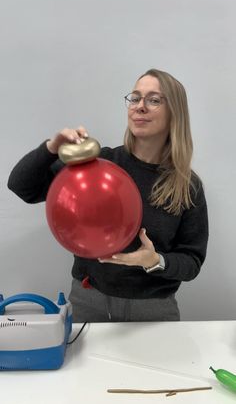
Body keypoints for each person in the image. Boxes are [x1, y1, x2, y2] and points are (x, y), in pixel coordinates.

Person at [8, 68, 208, 322]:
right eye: (135, 98)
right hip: (89, 299)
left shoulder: (187, 185)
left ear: (174, 114)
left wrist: (155, 260)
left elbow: (191, 261)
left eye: (154, 100)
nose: (140, 106)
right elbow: (22, 186)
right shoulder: (98, 165)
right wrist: (51, 147)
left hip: (153, 309)